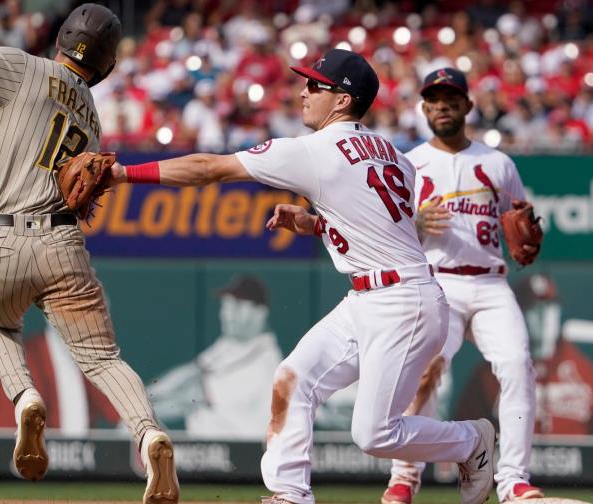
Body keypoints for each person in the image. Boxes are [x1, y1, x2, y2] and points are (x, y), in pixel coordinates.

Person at [109, 48, 497, 504]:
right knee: (293, 377)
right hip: (376, 296)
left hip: (401, 302)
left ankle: (471, 441)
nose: (304, 92)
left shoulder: (315, 150)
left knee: (374, 434)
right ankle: (291, 493)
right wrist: (316, 224)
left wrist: (123, 173)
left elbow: (208, 168)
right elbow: (379, 225)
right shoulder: (396, 156)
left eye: (316, 85)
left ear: (342, 100)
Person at [0, 6, 179, 502]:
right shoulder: (92, 120)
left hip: (0, 241)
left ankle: (26, 398)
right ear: (107, 65)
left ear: (61, 38)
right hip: (61, 246)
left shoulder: (22, 66)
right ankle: (148, 435)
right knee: (102, 359)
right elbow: (54, 194)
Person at [381, 68, 543, 504]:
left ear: (468, 106)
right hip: (438, 284)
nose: (443, 107)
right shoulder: (409, 164)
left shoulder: (498, 163)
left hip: (490, 282)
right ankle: (404, 476)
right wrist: (415, 223)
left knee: (518, 366)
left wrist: (527, 232)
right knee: (425, 373)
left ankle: (513, 480)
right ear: (423, 108)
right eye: (434, 100)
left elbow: (520, 219)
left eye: (451, 99)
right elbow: (387, 233)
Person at [454, 274, 593, 436]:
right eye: (534, 309)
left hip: (575, 453)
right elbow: (464, 437)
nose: (543, 317)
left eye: (550, 308)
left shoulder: (582, 369)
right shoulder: (490, 373)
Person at [149, 275, 283, 440]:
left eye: (237, 306)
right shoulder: (230, 343)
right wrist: (142, 396)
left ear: (260, 313)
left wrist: (137, 408)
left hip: (246, 450)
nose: (228, 314)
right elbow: (190, 372)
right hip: (210, 449)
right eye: (225, 306)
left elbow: (193, 395)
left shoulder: (267, 363)